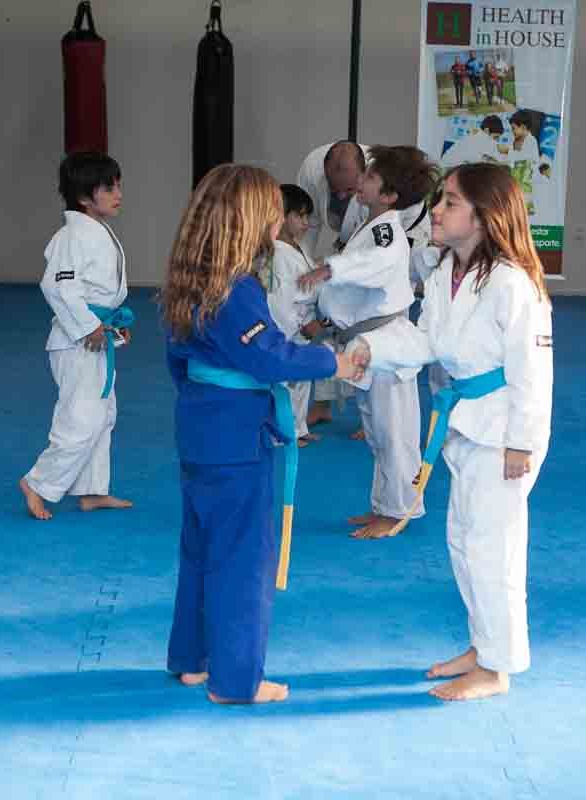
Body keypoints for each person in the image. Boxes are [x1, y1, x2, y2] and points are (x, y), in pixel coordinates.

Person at [349, 162, 553, 701]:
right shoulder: (446, 273)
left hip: (503, 430)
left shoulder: (513, 283)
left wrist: (521, 443)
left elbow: (533, 372)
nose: (436, 211)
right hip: (466, 421)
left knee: (493, 549)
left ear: (483, 217)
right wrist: (371, 349)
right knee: (464, 541)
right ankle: (482, 646)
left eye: (450, 202)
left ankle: (498, 667)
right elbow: (425, 341)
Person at [163, 164, 361, 704]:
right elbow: (270, 356)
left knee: (201, 547)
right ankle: (235, 682)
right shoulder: (237, 289)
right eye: (273, 211)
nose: (279, 221)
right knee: (243, 558)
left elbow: (178, 361)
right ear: (253, 222)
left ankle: (192, 659)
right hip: (235, 438)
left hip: (200, 425)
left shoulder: (190, 279)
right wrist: (334, 362)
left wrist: (207, 400)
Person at [299, 145, 438, 540]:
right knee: (379, 430)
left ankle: (398, 511)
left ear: (390, 195)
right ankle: (384, 504)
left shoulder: (386, 230)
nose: (362, 180)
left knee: (395, 432)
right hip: (368, 341)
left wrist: (332, 269)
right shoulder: (371, 223)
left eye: (371, 177)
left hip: (386, 343)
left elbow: (377, 265)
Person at [19, 152, 133, 521]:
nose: (118, 194)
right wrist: (88, 325)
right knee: (81, 417)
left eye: (118, 186)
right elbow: (58, 287)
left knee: (103, 415)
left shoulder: (96, 231)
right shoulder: (71, 236)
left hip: (96, 335)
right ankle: (38, 483)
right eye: (109, 188)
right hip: (77, 341)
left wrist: (112, 325)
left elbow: (99, 291)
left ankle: (92, 490)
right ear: (84, 197)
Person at [296, 140, 372, 427]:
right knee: (327, 318)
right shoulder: (312, 168)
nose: (340, 195)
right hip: (344, 248)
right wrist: (300, 267)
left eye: (348, 190)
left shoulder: (382, 178)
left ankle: (371, 416)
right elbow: (307, 225)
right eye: (334, 187)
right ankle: (322, 404)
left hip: (374, 255)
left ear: (365, 175)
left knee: (370, 332)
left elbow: (379, 244)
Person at [264, 184, 324, 445]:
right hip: (288, 326)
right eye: (299, 216)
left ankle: (299, 428)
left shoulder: (297, 248)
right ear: (280, 215)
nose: (305, 223)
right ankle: (282, 433)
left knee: (302, 380)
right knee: (285, 382)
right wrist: (298, 328)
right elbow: (279, 301)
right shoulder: (277, 253)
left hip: (304, 322)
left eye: (307, 216)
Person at [440, 115, 505, 170]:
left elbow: (493, 155)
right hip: (449, 167)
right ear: (486, 130)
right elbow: (475, 161)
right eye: (495, 137)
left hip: (457, 167)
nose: (496, 140)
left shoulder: (483, 138)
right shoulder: (475, 139)